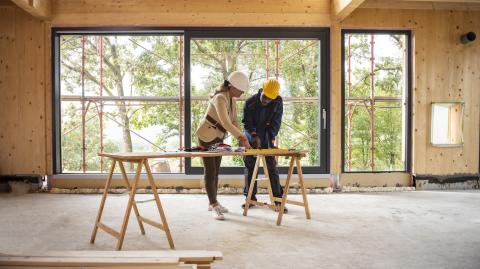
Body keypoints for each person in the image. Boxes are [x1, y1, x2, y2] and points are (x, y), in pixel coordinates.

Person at [195, 71, 252, 220]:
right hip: (206, 136)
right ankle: (213, 204)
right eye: (241, 90)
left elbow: (234, 121)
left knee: (216, 170)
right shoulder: (220, 98)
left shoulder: (232, 99)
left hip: (218, 137)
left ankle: (214, 202)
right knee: (210, 169)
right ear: (233, 87)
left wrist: (241, 138)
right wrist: (241, 137)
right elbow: (226, 122)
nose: (242, 93)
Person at [242, 79, 287, 213]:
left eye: (269, 99)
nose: (266, 100)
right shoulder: (250, 102)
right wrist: (254, 135)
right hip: (252, 135)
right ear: (261, 90)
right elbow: (246, 123)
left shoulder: (277, 101)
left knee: (271, 167)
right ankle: (249, 198)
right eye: (265, 97)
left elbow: (276, 122)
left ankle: (278, 200)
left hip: (267, 134)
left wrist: (269, 139)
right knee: (250, 167)